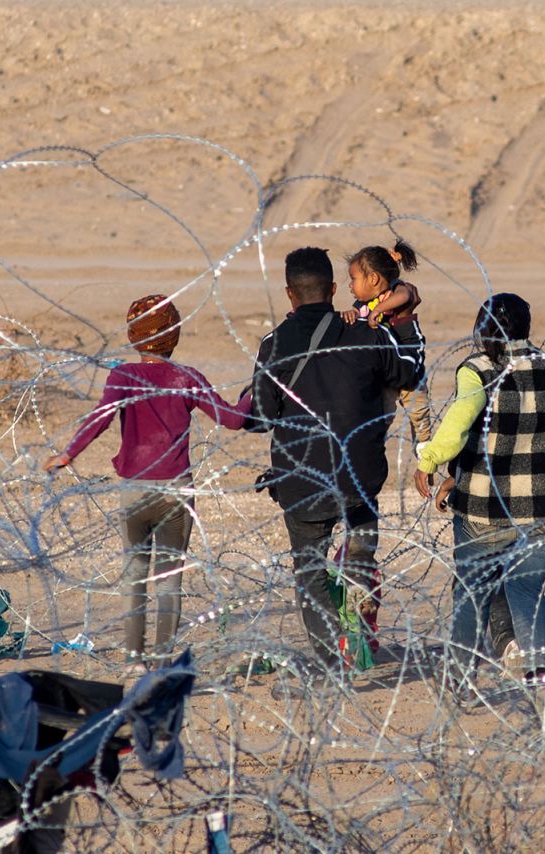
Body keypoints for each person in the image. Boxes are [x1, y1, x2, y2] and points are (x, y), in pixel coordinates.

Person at [44, 295, 252, 673]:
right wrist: (254, 393)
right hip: (176, 491)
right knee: (169, 583)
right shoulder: (186, 377)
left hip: (135, 491)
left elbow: (100, 418)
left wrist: (68, 454)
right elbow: (233, 420)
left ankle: (134, 660)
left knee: (135, 577)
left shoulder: (122, 376)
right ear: (175, 337)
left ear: (134, 337)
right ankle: (162, 662)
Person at [245, 246, 422, 672]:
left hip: (302, 478)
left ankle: (330, 664)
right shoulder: (366, 333)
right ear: (334, 289)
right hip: (359, 476)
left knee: (309, 571)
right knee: (360, 553)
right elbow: (408, 372)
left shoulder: (275, 344)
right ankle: (358, 610)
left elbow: (262, 417)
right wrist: (405, 315)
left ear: (290, 294)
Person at [415, 293, 545, 713]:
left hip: (484, 507)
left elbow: (458, 427)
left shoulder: (477, 370)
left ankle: (459, 683)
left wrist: (428, 460)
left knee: (472, 593)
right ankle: (541, 681)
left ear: (483, 329)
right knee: (528, 590)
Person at [341, 240, 432, 453]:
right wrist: (351, 314)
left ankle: (424, 447)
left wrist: (378, 309)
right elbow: (356, 316)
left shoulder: (396, 288)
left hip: (409, 360)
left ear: (373, 278)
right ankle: (372, 447)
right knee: (383, 411)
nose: (350, 285)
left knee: (417, 407)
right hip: (387, 368)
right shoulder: (361, 305)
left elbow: (406, 296)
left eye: (353, 279)